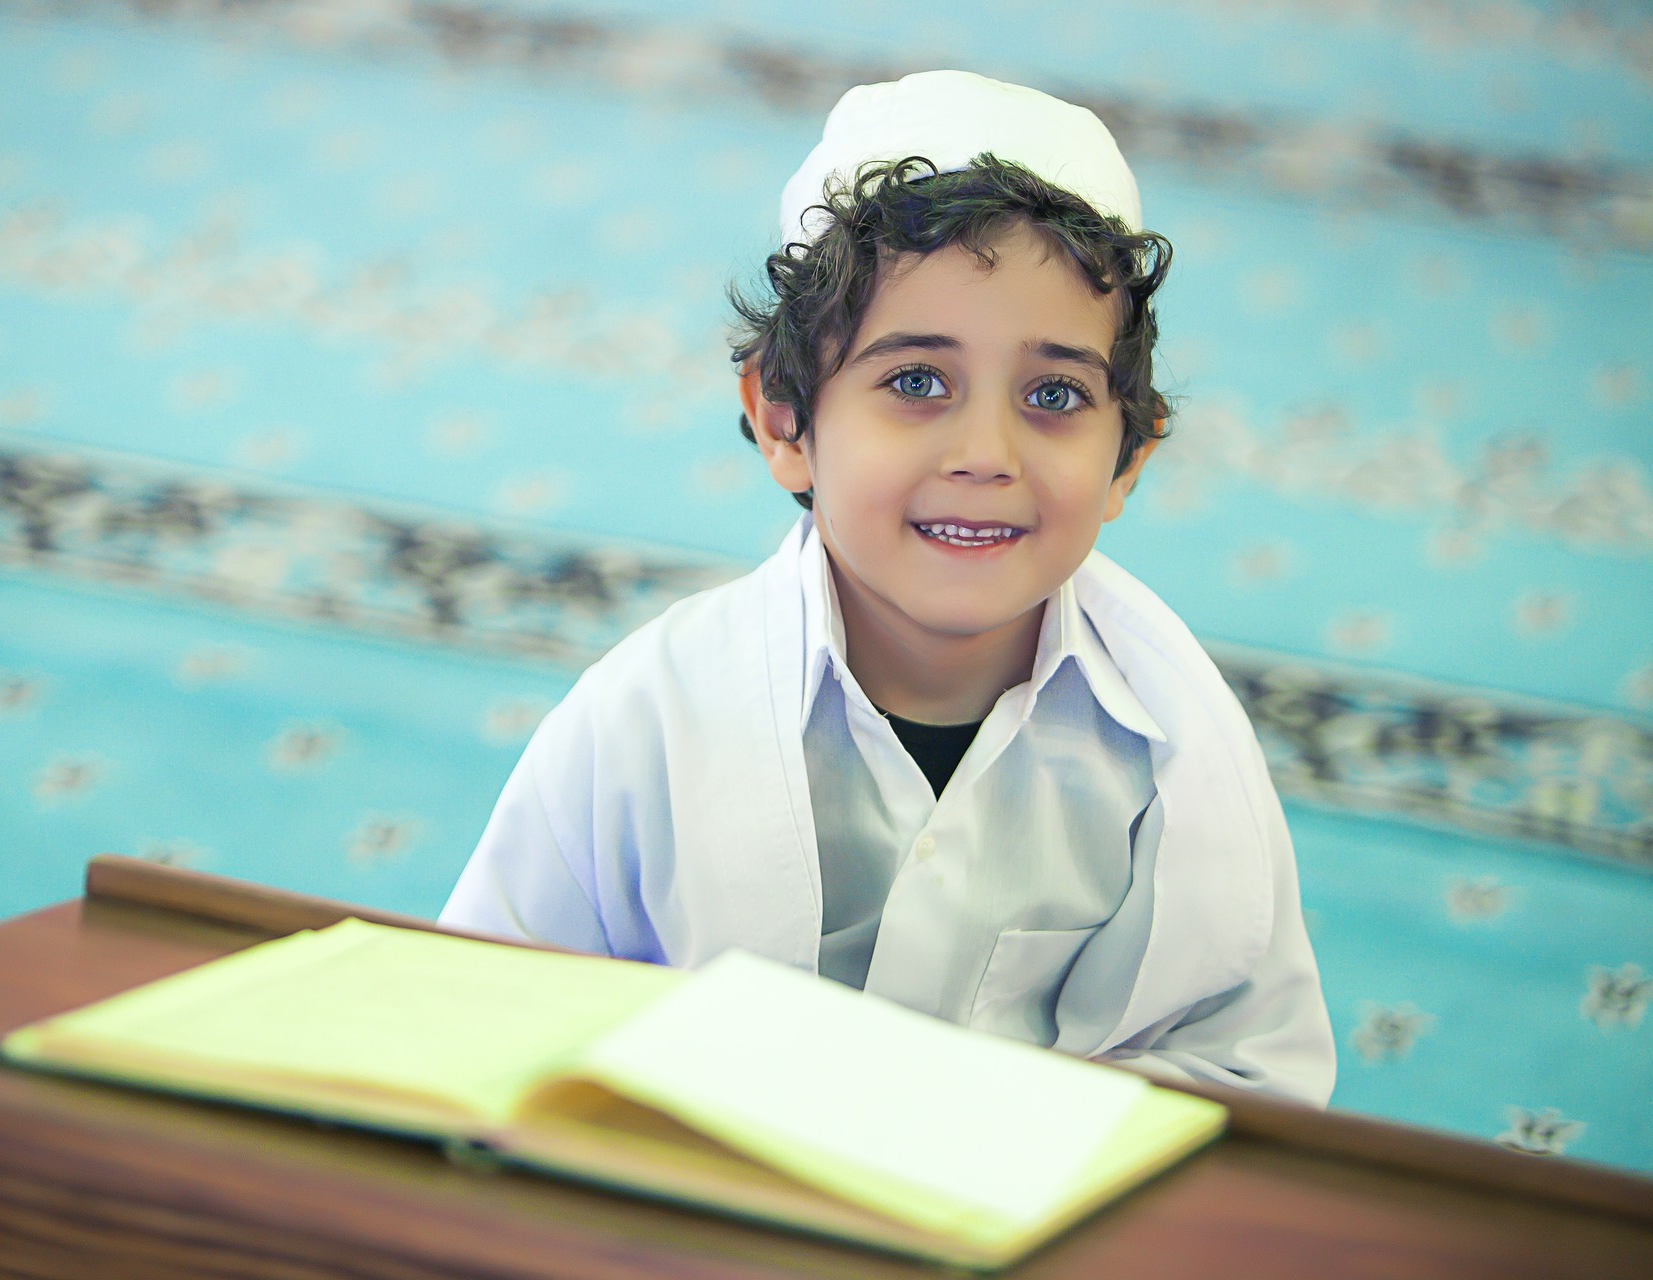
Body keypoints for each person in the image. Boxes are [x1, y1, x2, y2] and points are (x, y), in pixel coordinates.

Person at [440, 71, 1336, 1105]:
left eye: (1054, 396)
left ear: (1128, 456)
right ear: (785, 420)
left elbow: (1246, 1072)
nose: (986, 453)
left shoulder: (1179, 745)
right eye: (917, 381)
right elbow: (485, 1014)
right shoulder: (646, 715)